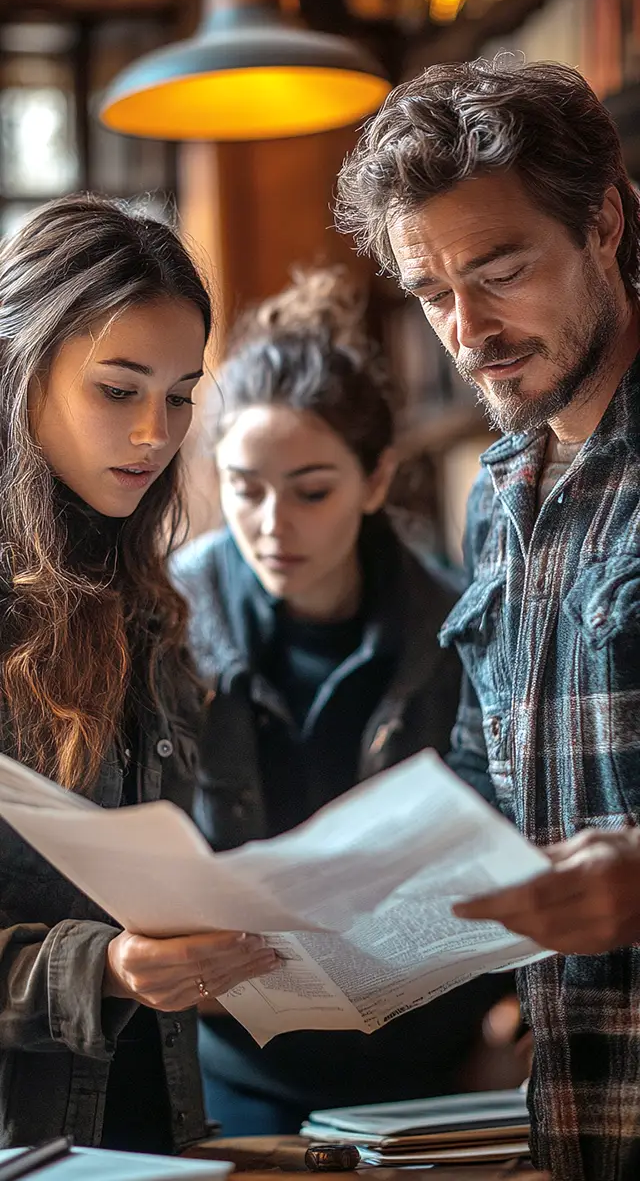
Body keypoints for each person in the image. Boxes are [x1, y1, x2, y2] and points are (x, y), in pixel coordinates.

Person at [335, 57, 640, 1180]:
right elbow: (485, 787)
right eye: (429, 291)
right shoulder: (495, 496)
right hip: (577, 1127)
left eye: (501, 269)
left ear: (601, 222)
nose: (466, 329)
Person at [171, 267, 512, 1136]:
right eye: (244, 487)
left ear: (375, 479)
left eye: (311, 489)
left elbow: (506, 839)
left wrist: (510, 1022)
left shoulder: (456, 629)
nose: (272, 526)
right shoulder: (165, 619)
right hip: (231, 1074)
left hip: (433, 1077)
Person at [0, 194, 279, 1152]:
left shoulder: (150, 605)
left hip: (154, 1138)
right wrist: (104, 971)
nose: (157, 433)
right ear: (18, 372)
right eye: (118, 391)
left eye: (181, 393)